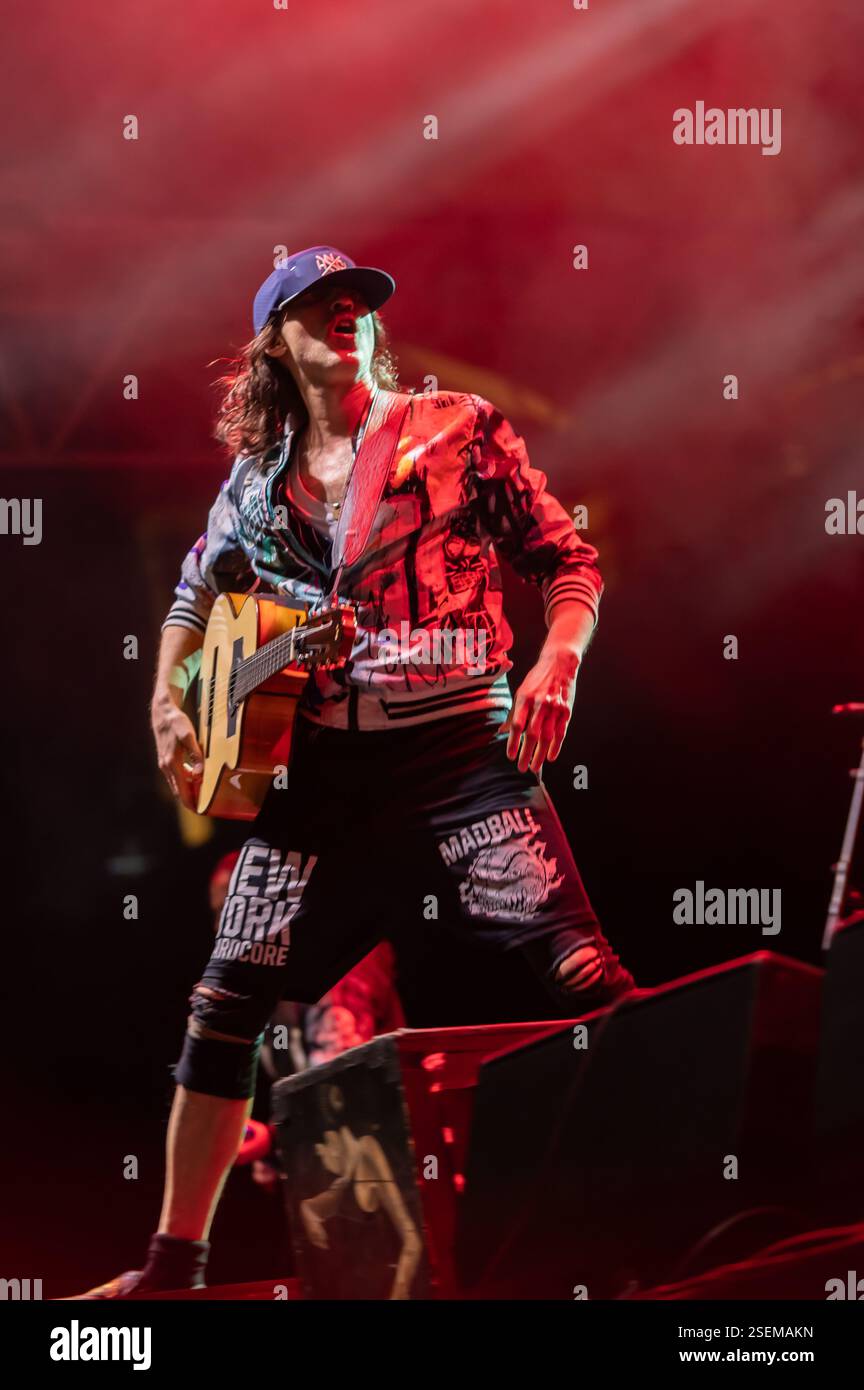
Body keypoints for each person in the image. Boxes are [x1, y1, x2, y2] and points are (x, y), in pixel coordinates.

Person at [74, 244, 634, 1298]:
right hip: (322, 769)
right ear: (276, 345)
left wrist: (558, 663)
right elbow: (192, 605)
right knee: (226, 998)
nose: (347, 312)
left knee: (584, 977)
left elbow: (569, 560)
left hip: (462, 742)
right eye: (319, 304)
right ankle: (170, 1267)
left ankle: (679, 1220)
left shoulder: (457, 427)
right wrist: (165, 698)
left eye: (358, 303)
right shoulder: (254, 485)